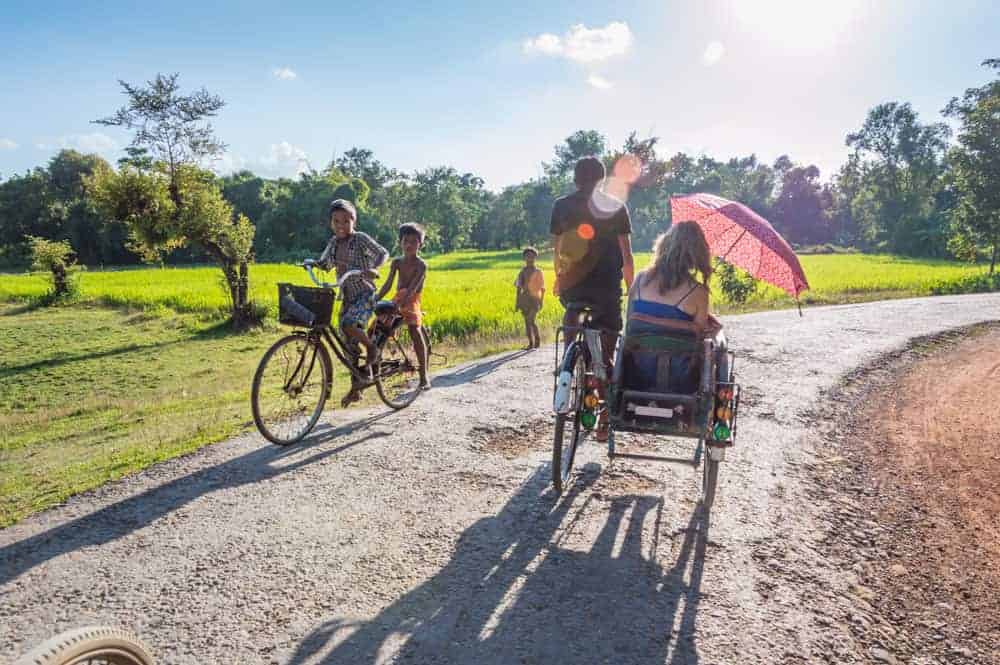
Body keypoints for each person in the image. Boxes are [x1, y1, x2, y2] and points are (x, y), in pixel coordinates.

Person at [551, 155, 635, 440]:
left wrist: (560, 280)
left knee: (573, 311)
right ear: (601, 180)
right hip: (606, 290)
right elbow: (626, 256)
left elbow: (558, 249)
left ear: (575, 178)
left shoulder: (561, 205)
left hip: (574, 287)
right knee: (606, 354)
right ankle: (605, 417)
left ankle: (568, 359)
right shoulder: (616, 206)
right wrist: (632, 287)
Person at [625, 221, 724, 393]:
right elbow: (699, 337)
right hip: (681, 379)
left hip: (636, 372)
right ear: (697, 254)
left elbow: (628, 322)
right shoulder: (699, 292)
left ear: (665, 244)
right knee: (720, 341)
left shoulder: (640, 280)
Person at [317, 198, 389, 406]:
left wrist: (374, 268)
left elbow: (383, 253)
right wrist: (312, 264)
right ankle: (356, 388)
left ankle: (372, 348)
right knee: (348, 348)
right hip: (347, 298)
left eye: (345, 221)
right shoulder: (333, 243)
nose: (341, 226)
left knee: (348, 325)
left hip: (365, 295)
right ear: (331, 222)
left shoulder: (360, 239)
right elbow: (325, 263)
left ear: (353, 221)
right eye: (336, 221)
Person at [376, 223, 430, 389]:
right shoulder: (396, 262)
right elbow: (387, 284)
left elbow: (414, 287)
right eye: (405, 241)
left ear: (420, 244)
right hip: (398, 298)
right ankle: (376, 365)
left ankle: (424, 375)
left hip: (412, 299)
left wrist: (401, 302)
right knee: (376, 328)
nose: (409, 245)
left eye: (414, 242)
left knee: (414, 328)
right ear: (400, 242)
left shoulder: (421, 265)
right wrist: (376, 297)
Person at [514, 247, 545, 350]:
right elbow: (518, 288)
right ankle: (531, 343)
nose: (530, 258)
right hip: (525, 299)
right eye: (527, 256)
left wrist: (541, 301)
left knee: (531, 320)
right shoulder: (522, 272)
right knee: (527, 322)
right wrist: (517, 303)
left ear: (535, 258)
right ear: (524, 258)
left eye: (532, 256)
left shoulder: (538, 272)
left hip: (535, 299)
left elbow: (542, 288)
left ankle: (537, 340)